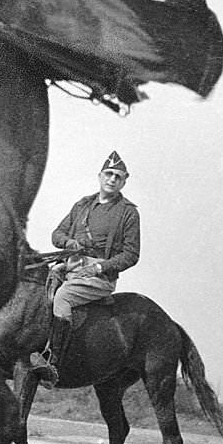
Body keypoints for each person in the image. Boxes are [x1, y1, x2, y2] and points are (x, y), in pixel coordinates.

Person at [30, 151, 141, 387]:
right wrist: (69, 243)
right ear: (100, 176)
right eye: (108, 174)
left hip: (99, 277)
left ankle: (53, 363)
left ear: (124, 181)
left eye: (117, 176)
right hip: (70, 266)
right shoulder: (82, 205)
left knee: (62, 297)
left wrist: (100, 267)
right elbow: (57, 234)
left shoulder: (128, 213)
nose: (112, 179)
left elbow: (131, 255)